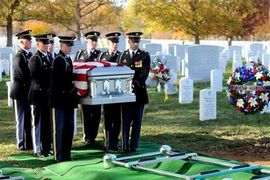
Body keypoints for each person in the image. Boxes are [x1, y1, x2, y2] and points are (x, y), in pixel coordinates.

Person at [117, 31, 150, 152]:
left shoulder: (144, 55)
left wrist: (134, 83)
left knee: (137, 121)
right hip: (126, 94)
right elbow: (119, 71)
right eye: (133, 41)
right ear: (129, 41)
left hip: (139, 93)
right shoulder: (123, 55)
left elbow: (144, 73)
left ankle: (134, 146)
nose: (136, 43)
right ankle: (125, 144)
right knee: (125, 120)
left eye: (138, 41)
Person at [49, 34, 77, 162]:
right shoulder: (58, 59)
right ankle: (59, 156)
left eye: (71, 45)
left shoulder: (67, 59)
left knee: (68, 128)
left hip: (68, 99)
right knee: (59, 129)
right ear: (61, 45)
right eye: (68, 45)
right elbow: (59, 80)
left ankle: (67, 153)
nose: (70, 47)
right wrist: (72, 87)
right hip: (60, 99)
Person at [28, 33, 55, 157]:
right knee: (38, 123)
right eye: (44, 43)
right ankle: (37, 149)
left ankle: (46, 147)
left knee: (46, 122)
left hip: (46, 96)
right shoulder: (35, 58)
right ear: (38, 44)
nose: (47, 45)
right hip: (38, 95)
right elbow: (36, 78)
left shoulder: (48, 57)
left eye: (48, 43)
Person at [74, 31, 102, 146]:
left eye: (95, 41)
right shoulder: (81, 54)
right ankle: (87, 136)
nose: (94, 43)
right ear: (87, 41)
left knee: (96, 113)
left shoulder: (100, 54)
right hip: (84, 89)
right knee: (85, 113)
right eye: (91, 41)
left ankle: (93, 136)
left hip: (95, 89)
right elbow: (76, 68)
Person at [97, 32, 122, 151]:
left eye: (117, 42)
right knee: (107, 118)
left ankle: (115, 141)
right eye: (113, 42)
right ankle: (107, 141)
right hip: (105, 92)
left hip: (118, 91)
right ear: (108, 43)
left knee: (117, 118)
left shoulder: (121, 56)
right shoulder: (102, 56)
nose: (115, 45)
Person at [10, 30, 33, 151]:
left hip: (27, 91)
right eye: (28, 40)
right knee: (21, 118)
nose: (30, 42)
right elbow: (24, 75)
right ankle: (21, 143)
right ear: (21, 41)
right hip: (20, 92)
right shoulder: (19, 56)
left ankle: (28, 142)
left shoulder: (29, 55)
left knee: (28, 117)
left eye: (30, 40)